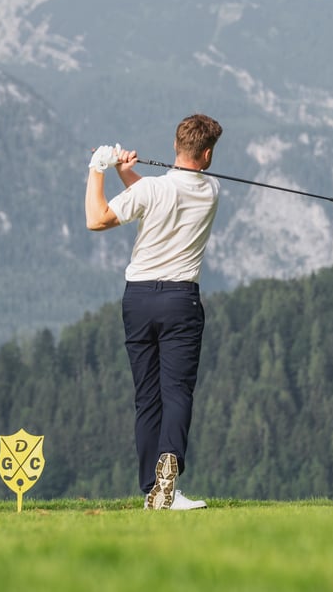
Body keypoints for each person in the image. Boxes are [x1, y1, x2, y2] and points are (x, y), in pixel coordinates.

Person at [85, 114, 223, 510]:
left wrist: (100, 170)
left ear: (176, 145)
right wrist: (128, 175)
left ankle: (152, 488)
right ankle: (169, 471)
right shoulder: (211, 190)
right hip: (181, 300)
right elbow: (161, 199)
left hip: (139, 300)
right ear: (208, 153)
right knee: (176, 392)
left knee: (147, 397)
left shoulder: (155, 191)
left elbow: (98, 218)